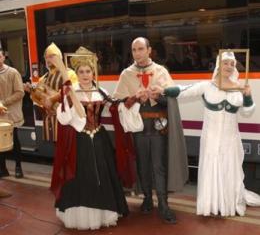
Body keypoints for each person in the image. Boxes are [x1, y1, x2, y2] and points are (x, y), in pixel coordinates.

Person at [152, 51, 260, 216]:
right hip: (210, 138)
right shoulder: (206, 86)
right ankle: (212, 204)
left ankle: (228, 204)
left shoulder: (239, 88)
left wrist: (247, 96)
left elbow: (248, 111)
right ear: (218, 65)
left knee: (229, 170)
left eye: (232, 64)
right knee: (211, 168)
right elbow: (183, 91)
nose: (229, 67)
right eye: (225, 63)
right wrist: (163, 90)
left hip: (230, 140)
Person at [50, 47, 128, 230]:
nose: (85, 74)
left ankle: (105, 212)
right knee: (80, 175)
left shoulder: (100, 91)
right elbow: (63, 118)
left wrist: (131, 101)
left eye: (88, 71)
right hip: (79, 142)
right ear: (76, 74)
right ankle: (80, 215)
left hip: (100, 141)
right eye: (81, 71)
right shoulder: (70, 90)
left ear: (93, 72)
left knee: (103, 174)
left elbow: (115, 107)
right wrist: (67, 99)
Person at [113, 37, 188, 224]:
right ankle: (147, 198)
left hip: (158, 127)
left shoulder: (161, 71)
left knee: (159, 166)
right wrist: (134, 98)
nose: (137, 53)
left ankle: (163, 204)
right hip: (138, 128)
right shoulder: (126, 74)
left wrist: (159, 94)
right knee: (142, 165)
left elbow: (172, 99)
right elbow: (117, 102)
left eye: (140, 49)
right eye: (133, 50)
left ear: (149, 50)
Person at [24, 43, 77, 142]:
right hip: (51, 119)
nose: (48, 60)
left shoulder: (69, 73)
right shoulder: (43, 78)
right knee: (57, 149)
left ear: (59, 57)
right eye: (46, 57)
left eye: (51, 56)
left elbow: (71, 92)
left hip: (66, 119)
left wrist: (52, 99)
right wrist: (31, 91)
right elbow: (38, 99)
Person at [0, 49, 24, 178]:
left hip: (11, 114)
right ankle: (2, 168)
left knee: (14, 140)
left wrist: (3, 102)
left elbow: (20, 92)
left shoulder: (13, 72)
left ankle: (18, 167)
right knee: (0, 143)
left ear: (4, 57)